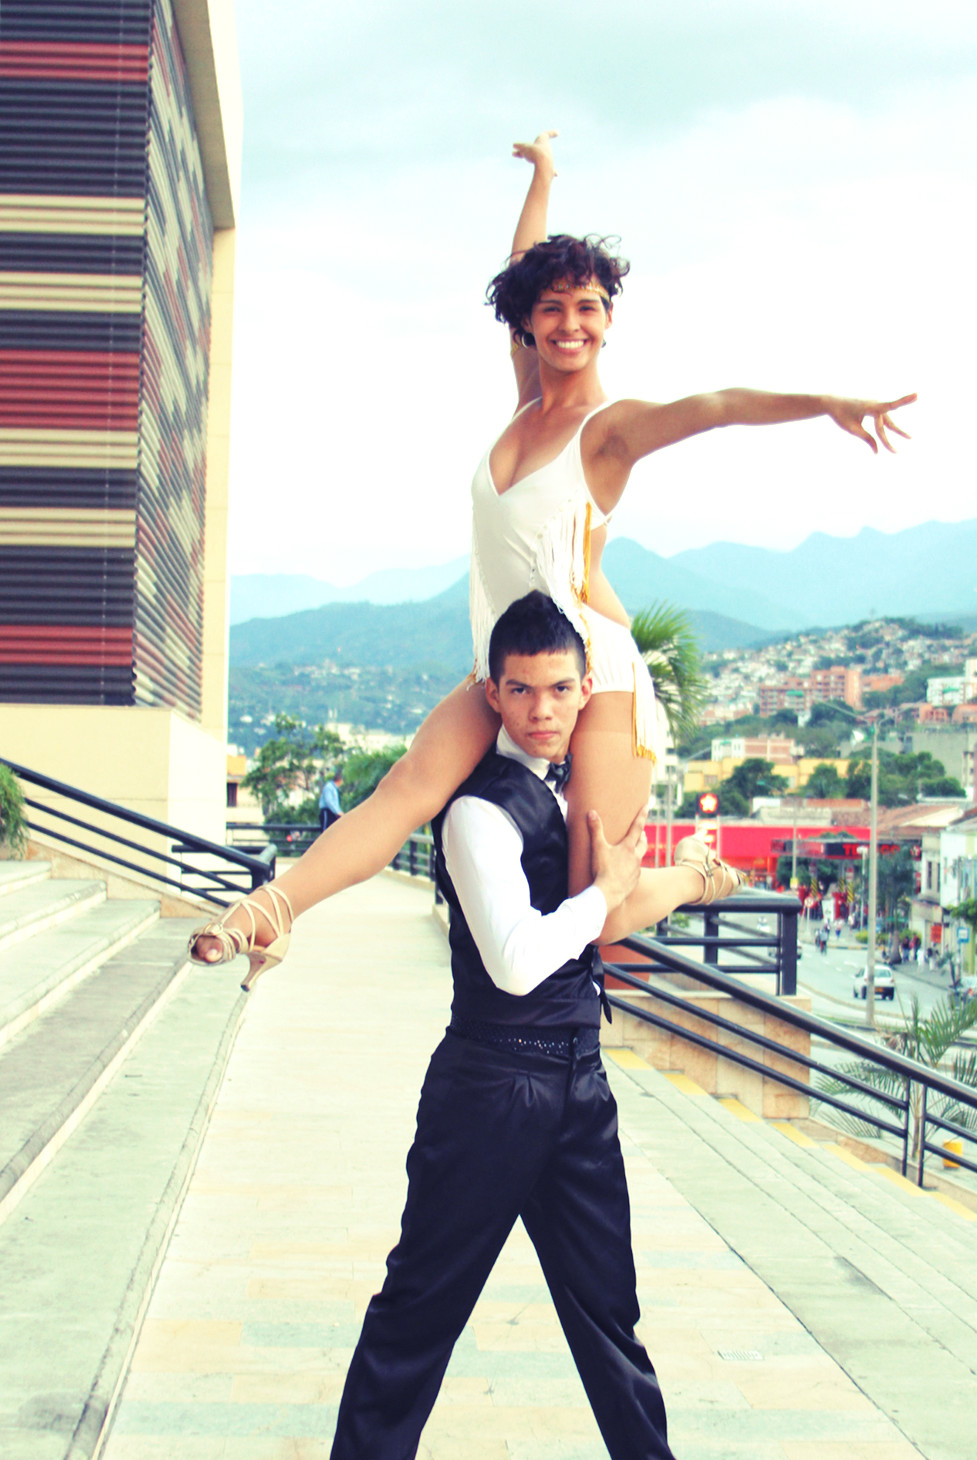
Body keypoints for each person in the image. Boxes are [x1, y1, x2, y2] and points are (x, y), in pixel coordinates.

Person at [191, 130, 914, 981]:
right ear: (526, 321)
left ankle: (693, 874)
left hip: (595, 673)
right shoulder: (521, 403)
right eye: (551, 309)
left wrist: (825, 400)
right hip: (507, 660)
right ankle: (266, 913)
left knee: (596, 914)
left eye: (588, 307)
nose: (569, 325)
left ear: (609, 318)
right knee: (406, 790)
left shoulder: (607, 430)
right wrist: (543, 175)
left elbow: (713, 405)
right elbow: (522, 260)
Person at [288, 594, 791, 1460]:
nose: (543, 707)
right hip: (491, 1088)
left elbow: (599, 911)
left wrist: (678, 878)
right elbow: (519, 959)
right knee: (415, 1316)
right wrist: (605, 893)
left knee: (611, 1320)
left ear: (581, 689)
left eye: (562, 688)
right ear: (494, 692)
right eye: (522, 688)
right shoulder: (474, 809)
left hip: (577, 1085)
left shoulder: (575, 794)